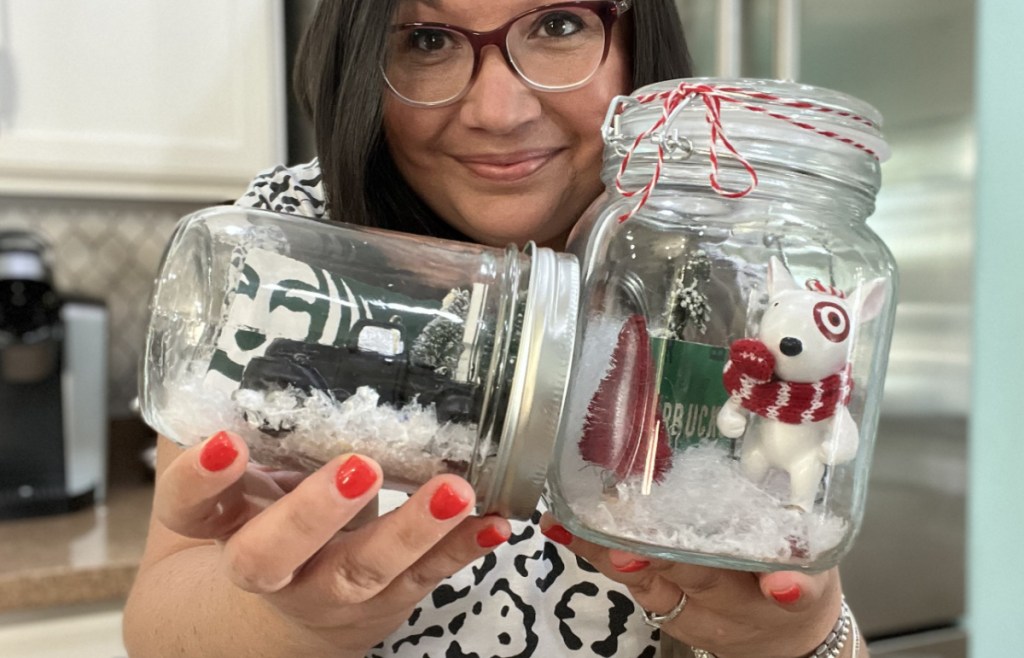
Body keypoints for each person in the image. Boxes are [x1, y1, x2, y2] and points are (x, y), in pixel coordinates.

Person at [123, 1, 867, 656]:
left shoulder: (723, 260)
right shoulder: (281, 244)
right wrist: (298, 629)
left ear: (638, 38)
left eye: (559, 25)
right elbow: (159, 616)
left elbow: (797, 589)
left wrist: (801, 641)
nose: (499, 110)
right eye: (425, 39)